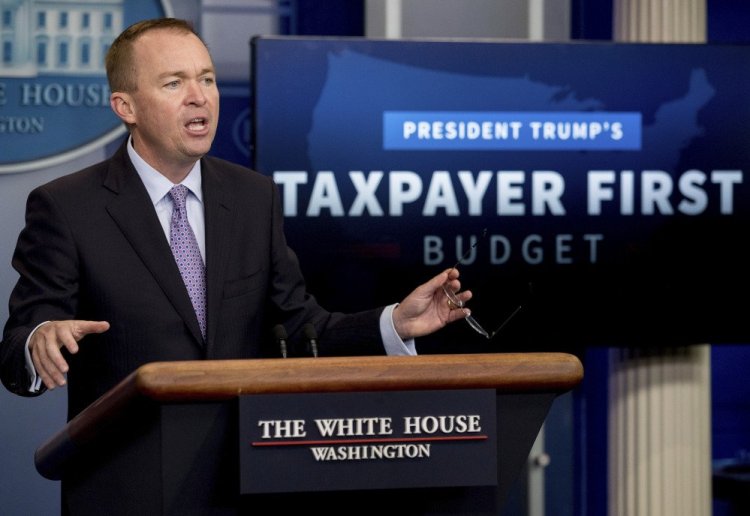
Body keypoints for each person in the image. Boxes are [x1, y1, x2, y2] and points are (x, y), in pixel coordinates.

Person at [0, 18, 471, 421]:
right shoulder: (67, 206)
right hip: (128, 482)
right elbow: (19, 343)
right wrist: (41, 339)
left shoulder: (253, 197)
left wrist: (394, 324)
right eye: (173, 83)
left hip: (242, 475)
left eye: (206, 79)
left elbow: (302, 329)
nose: (199, 97)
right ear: (127, 107)